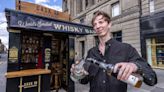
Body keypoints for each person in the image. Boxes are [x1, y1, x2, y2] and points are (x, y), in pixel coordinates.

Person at [70, 11, 157, 92]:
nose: (97, 26)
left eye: (101, 22)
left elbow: (152, 79)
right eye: (94, 24)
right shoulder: (91, 52)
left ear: (109, 24)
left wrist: (135, 66)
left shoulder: (126, 48)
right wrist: (78, 74)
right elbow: (85, 80)